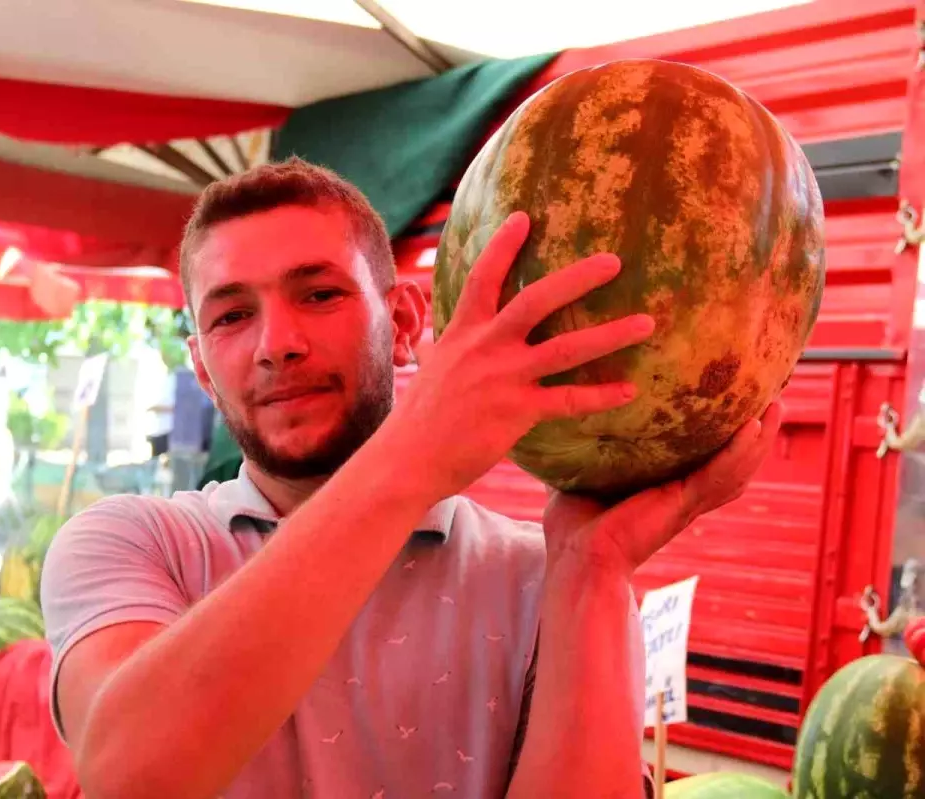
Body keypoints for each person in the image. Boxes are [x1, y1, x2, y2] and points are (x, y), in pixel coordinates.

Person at [41, 159, 782, 799]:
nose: (278, 345)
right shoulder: (134, 543)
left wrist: (593, 570)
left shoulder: (544, 575)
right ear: (201, 365)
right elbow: (129, 772)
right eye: (232, 315)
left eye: (320, 294)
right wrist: (419, 447)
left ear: (401, 320)